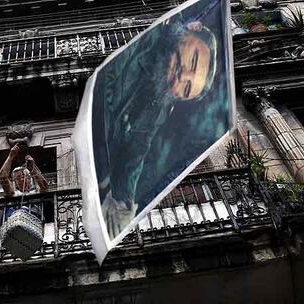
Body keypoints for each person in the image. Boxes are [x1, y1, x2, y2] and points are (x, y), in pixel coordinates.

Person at [93, 18, 218, 238]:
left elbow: (137, 151)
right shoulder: (147, 43)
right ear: (191, 32)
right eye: (194, 59)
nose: (184, 75)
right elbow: (105, 90)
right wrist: (103, 173)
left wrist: (124, 202)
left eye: (187, 88)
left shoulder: (159, 106)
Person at [0, 144, 48, 219]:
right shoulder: (13, 192)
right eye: (17, 178)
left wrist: (32, 169)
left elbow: (44, 186)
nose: (22, 179)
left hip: (33, 221)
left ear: (30, 178)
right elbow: (2, 177)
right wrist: (10, 156)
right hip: (15, 220)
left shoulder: (35, 192)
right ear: (14, 181)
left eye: (24, 176)